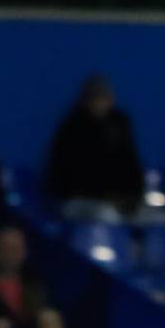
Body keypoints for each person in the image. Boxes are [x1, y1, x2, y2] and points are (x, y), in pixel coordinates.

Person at [43, 76, 145, 221]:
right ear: (86, 101)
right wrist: (105, 196)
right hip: (81, 201)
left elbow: (132, 167)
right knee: (108, 215)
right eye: (96, 98)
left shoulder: (120, 125)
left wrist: (131, 197)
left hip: (120, 202)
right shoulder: (72, 130)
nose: (101, 102)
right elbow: (68, 178)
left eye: (106, 97)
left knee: (158, 218)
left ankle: (136, 244)